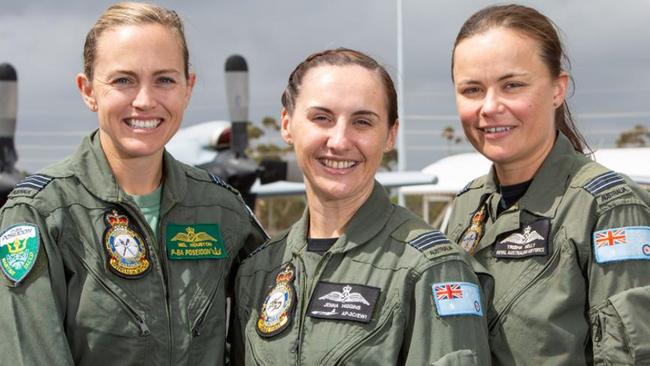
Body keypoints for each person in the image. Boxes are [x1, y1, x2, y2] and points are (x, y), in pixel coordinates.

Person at [0, 3, 266, 365]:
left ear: (188, 88)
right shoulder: (41, 214)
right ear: (88, 90)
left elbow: (270, 334)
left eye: (165, 80)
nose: (145, 100)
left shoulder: (222, 210)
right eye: (123, 80)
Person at [230, 48, 491, 365]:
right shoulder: (258, 270)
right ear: (287, 124)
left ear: (390, 135)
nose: (339, 141)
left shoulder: (430, 268)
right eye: (322, 118)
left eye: (362, 121)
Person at [445, 4, 650, 365]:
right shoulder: (468, 206)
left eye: (512, 85)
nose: (490, 107)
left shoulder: (609, 209)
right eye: (473, 89)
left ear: (558, 89)